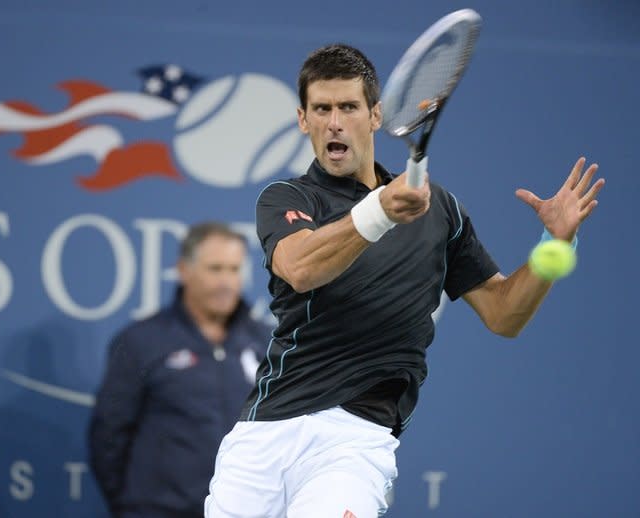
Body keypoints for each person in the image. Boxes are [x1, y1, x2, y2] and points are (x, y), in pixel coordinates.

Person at [204, 44, 605, 518]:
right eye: (322, 109)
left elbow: (503, 314)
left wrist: (550, 248)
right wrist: (379, 212)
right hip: (265, 432)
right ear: (302, 119)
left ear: (375, 116)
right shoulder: (287, 197)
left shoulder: (441, 212)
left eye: (349, 107)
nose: (335, 122)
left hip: (354, 440)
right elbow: (301, 268)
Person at [89, 222, 272, 518]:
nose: (227, 282)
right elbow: (109, 437)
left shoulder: (267, 343)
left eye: (234, 269)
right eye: (215, 269)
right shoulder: (141, 342)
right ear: (184, 270)